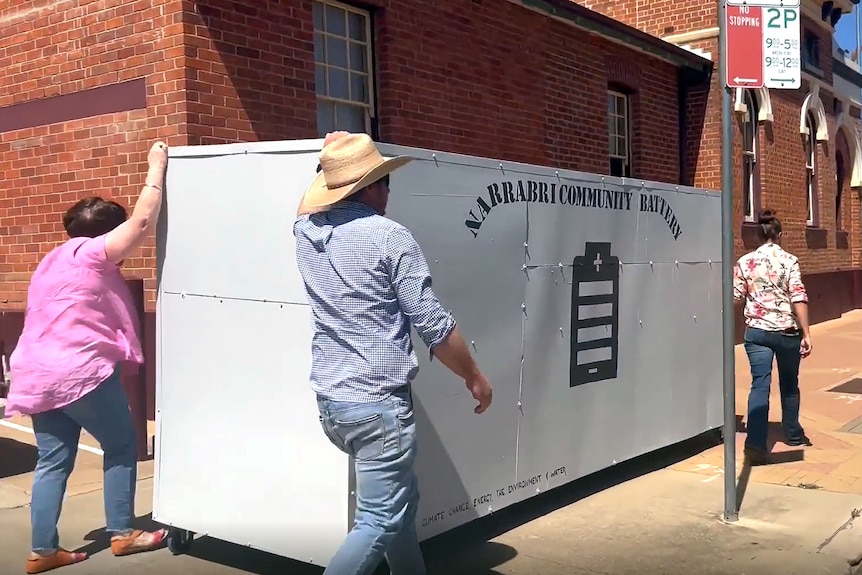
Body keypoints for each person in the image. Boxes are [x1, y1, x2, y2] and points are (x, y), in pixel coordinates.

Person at [293, 131, 493, 575]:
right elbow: (433, 325)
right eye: (386, 182)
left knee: (400, 503)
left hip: (334, 405)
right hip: (378, 409)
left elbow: (304, 208)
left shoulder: (306, 233)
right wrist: (474, 377)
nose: (389, 192)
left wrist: (326, 165)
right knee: (379, 520)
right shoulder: (389, 237)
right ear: (370, 187)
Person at [6, 141, 171, 573]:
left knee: (53, 460)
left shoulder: (53, 259)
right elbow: (141, 222)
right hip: (78, 372)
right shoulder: (93, 254)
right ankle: (123, 533)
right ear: (106, 233)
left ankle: (43, 552)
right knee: (121, 445)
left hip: (37, 373)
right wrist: (156, 167)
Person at [733, 209, 812, 466]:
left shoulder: (745, 262)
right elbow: (798, 296)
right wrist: (806, 333)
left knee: (760, 385)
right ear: (780, 235)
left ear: (758, 235)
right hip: (786, 332)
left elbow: (735, 296)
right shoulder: (790, 261)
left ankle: (755, 443)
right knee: (789, 385)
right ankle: (793, 434)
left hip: (757, 332)